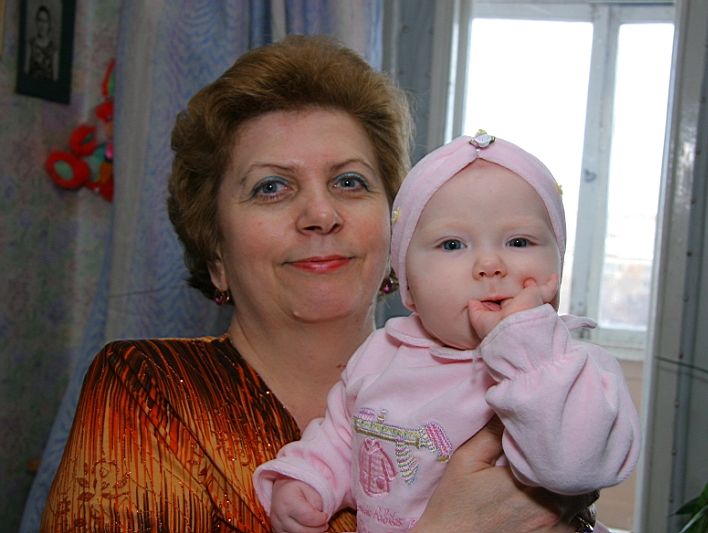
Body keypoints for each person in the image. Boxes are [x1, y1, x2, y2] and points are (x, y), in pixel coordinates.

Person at [40, 35, 597, 532]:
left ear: (400, 238)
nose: (321, 214)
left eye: (349, 181)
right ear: (215, 251)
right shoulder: (147, 388)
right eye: (271, 187)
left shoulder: (517, 382)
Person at [254, 132, 641, 533]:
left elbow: (574, 469)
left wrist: (527, 346)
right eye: (453, 244)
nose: (490, 265)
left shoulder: (572, 370)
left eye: (519, 241)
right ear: (409, 286)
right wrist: (309, 480)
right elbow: (343, 437)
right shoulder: (381, 354)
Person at [27, 5, 58, 81]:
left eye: (45, 21)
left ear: (49, 24)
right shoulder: (30, 44)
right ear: (36, 22)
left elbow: (55, 78)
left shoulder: (53, 49)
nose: (42, 25)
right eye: (40, 20)